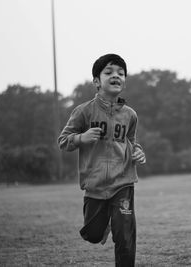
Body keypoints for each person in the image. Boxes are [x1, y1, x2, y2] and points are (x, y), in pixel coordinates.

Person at [58, 53, 146, 267]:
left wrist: (138, 152)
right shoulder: (83, 112)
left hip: (122, 181)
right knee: (93, 234)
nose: (116, 76)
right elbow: (63, 141)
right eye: (109, 72)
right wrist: (82, 137)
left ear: (124, 80)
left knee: (125, 236)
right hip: (94, 185)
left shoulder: (130, 115)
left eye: (121, 73)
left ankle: (118, 223)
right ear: (97, 81)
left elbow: (131, 141)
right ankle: (106, 222)